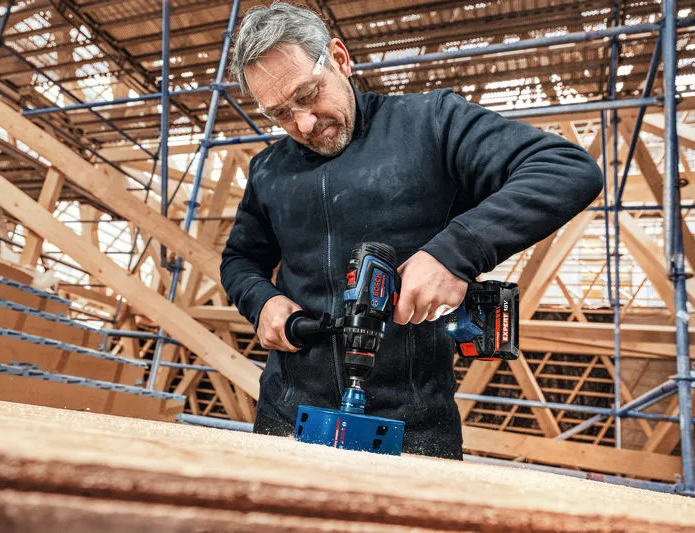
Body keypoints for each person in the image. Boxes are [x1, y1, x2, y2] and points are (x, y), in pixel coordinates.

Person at [221, 2, 603, 459]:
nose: (302, 124)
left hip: (414, 428)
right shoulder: (268, 170)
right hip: (288, 414)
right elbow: (240, 261)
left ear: (340, 59)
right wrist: (261, 302)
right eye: (280, 113)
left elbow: (565, 169)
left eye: (308, 94)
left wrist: (453, 254)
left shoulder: (431, 123)